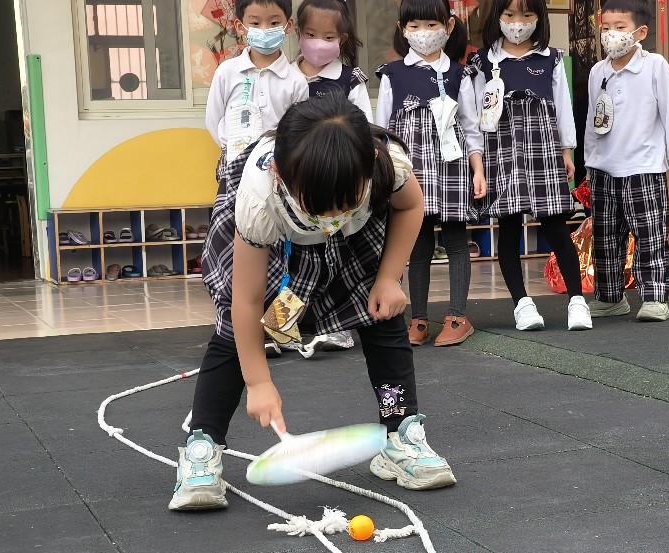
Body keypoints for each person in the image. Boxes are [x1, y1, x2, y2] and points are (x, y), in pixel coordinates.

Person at [169, 93, 457, 511]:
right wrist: (259, 383)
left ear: (368, 165)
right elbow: (246, 301)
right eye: (319, 207)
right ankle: (202, 446)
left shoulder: (386, 163)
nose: (332, 216)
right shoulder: (259, 197)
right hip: (279, 245)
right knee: (236, 335)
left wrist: (388, 278)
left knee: (382, 315)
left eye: (347, 201)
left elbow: (411, 206)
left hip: (358, 240)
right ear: (282, 175)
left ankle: (400, 434)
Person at [468, 0, 591, 332]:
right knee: (508, 228)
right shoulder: (482, 62)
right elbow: (475, 116)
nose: (517, 23)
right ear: (497, 16)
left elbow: (563, 107)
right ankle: (522, 304)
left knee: (556, 226)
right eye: (509, 14)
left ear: (539, 17)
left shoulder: (550, 58)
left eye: (527, 15)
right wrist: (478, 165)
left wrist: (567, 150)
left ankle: (577, 301)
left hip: (543, 148)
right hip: (501, 151)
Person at [376, 0, 486, 347]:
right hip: (411, 169)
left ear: (449, 26)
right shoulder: (392, 74)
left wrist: (478, 170)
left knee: (456, 239)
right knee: (417, 242)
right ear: (403, 28)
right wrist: (385, 177)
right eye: (415, 26)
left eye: (431, 24)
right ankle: (419, 319)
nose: (423, 32)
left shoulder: (461, 75)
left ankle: (457, 316)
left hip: (452, 167)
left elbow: (471, 127)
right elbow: (382, 133)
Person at [583, 0, 669, 322]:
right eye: (606, 27)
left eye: (620, 27)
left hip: (644, 168)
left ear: (640, 32)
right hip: (603, 169)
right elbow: (593, 120)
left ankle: (654, 298)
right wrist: (589, 162)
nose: (611, 34)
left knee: (650, 235)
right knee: (604, 238)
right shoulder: (598, 71)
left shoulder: (655, 66)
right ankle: (610, 298)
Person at [291, 0, 372, 353]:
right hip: (294, 182)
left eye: (328, 37)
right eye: (311, 35)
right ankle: (283, 323)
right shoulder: (285, 77)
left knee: (335, 252)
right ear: (297, 32)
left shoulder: (350, 80)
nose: (318, 44)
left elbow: (366, 130)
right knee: (294, 255)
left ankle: (338, 324)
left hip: (338, 180)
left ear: (343, 39)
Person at [205, 0, 308, 176]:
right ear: (240, 26)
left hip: (278, 169)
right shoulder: (227, 72)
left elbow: (298, 130)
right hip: (235, 167)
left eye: (274, 23)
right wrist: (234, 150)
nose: (265, 30)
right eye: (255, 23)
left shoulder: (296, 81)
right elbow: (214, 120)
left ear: (288, 26)